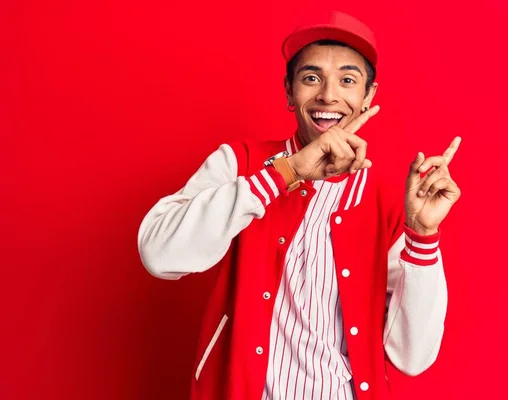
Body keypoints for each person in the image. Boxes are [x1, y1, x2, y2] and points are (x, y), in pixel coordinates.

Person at [137, 10, 461, 400]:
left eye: (347, 80)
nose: (328, 95)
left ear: (368, 97)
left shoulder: (388, 201)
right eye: (311, 78)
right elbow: (159, 253)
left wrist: (423, 235)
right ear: (289, 92)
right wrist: (285, 173)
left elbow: (413, 356)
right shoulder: (238, 163)